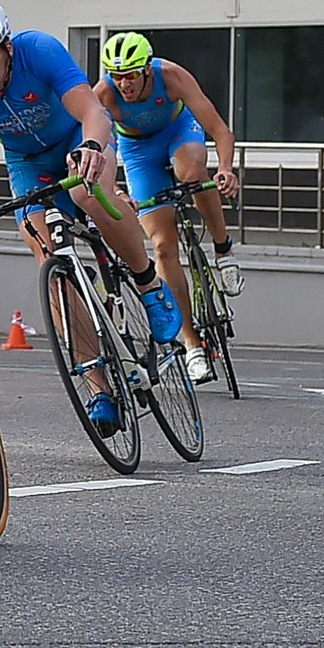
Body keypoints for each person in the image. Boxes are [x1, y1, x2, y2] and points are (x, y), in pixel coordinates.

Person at [0, 0, 184, 436]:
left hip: (76, 141)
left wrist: (92, 149)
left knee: (87, 191)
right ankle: (98, 386)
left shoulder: (39, 51)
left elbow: (93, 113)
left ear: (7, 49)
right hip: (26, 163)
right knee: (48, 259)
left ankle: (147, 282)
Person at [94, 31, 240, 385]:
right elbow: (100, 151)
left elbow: (220, 129)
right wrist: (115, 190)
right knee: (162, 247)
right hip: (137, 152)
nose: (124, 84)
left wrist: (224, 168)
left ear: (146, 69)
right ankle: (192, 346)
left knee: (191, 172)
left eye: (131, 75)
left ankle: (222, 249)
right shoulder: (104, 96)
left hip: (178, 132)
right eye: (117, 76)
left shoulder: (171, 76)